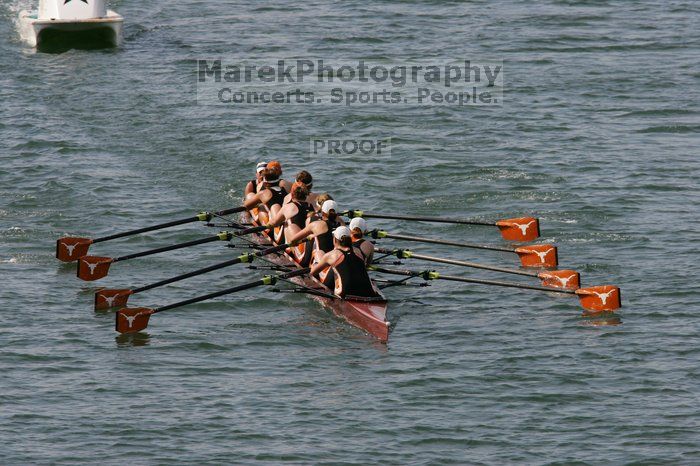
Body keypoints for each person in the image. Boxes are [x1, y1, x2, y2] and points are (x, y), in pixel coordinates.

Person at [310, 226, 380, 298]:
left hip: (345, 295)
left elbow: (312, 273)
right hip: (369, 293)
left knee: (317, 261)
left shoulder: (331, 255)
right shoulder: (358, 251)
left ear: (335, 240)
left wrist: (314, 265)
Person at [265, 182, 314, 262]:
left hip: (298, 248)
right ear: (306, 194)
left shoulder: (289, 206)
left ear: (292, 194)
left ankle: (289, 249)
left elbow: (273, 223)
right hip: (308, 244)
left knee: (288, 227)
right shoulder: (311, 206)